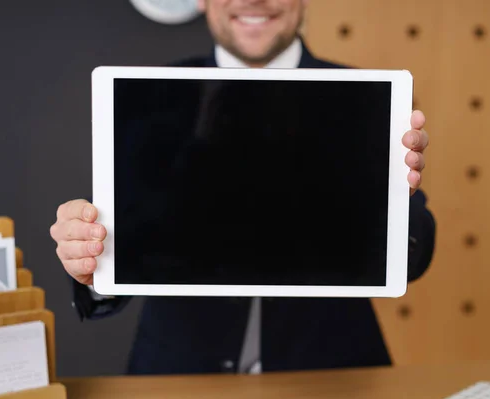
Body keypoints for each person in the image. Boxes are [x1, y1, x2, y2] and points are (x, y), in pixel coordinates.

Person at [50, 0, 435, 375]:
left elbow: (412, 252)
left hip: (332, 373)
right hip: (178, 375)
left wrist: (399, 206)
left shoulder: (365, 98)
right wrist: (91, 254)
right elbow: (133, 228)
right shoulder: (147, 97)